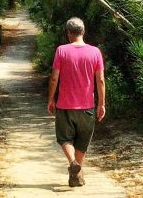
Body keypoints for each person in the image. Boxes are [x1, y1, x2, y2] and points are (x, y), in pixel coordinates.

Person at [47, 17, 106, 188]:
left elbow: (54, 78)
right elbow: (101, 80)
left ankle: (73, 163)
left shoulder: (61, 51)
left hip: (65, 105)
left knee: (64, 138)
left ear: (68, 33)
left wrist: (51, 98)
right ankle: (77, 176)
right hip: (87, 106)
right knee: (82, 142)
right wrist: (101, 103)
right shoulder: (95, 52)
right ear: (83, 31)